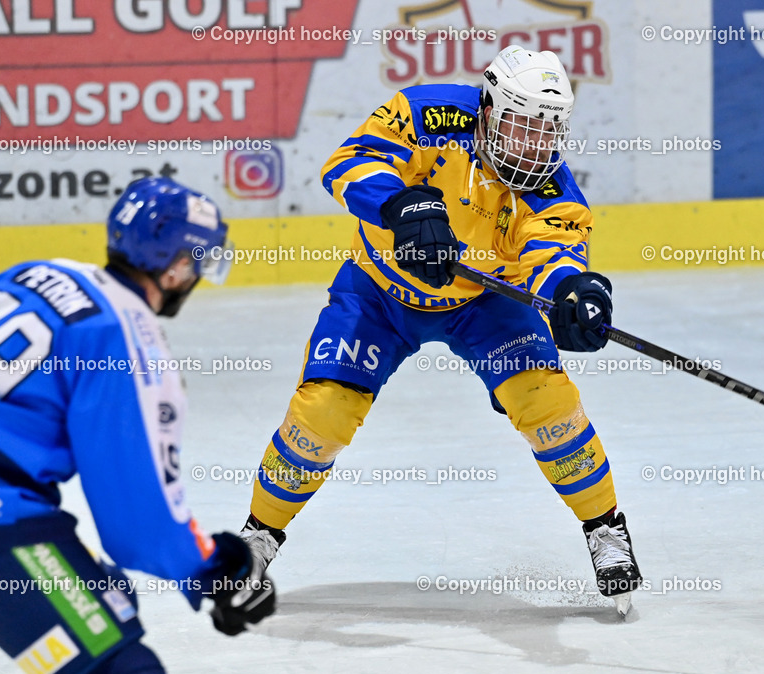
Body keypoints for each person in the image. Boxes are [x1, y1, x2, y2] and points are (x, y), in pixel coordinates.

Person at [241, 45, 642, 615]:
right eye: (522, 125)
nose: (535, 145)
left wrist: (571, 297)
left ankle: (605, 528)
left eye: (548, 130)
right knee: (323, 412)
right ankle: (259, 535)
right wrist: (403, 205)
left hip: (483, 302)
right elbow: (346, 162)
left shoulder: (552, 188)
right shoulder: (427, 114)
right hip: (378, 291)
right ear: (488, 108)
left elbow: (553, 256)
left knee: (548, 404)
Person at [0, 177, 275, 674]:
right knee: (121, 671)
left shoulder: (34, 272)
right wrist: (217, 570)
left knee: (111, 594)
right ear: (179, 264)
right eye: (197, 261)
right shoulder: (129, 340)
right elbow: (139, 518)